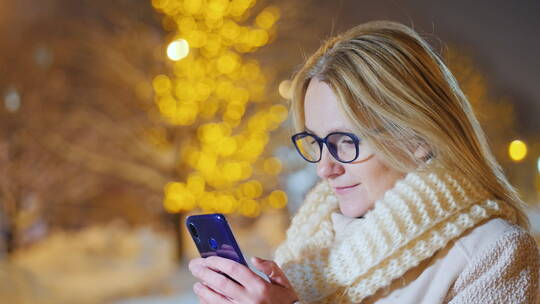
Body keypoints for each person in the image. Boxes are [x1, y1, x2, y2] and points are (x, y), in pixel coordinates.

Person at [188, 20, 539, 303]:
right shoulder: (309, 249)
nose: (324, 168)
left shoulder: (493, 253)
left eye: (344, 141)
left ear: (416, 138)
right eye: (316, 142)